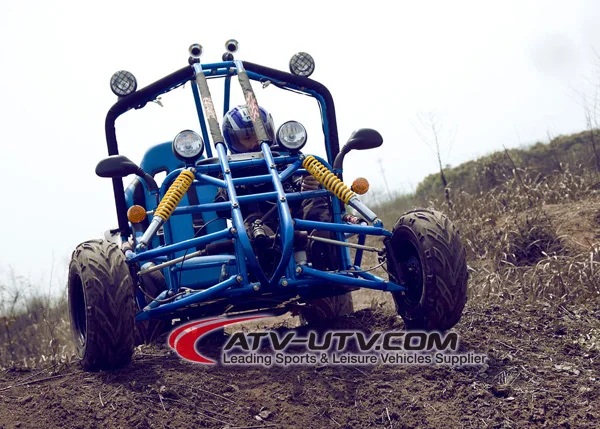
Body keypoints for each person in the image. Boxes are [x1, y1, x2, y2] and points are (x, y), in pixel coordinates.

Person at [218, 105, 336, 269]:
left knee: (315, 200)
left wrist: (308, 185)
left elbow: (304, 184)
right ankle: (273, 263)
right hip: (259, 227)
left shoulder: (286, 158)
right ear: (234, 142)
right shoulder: (229, 170)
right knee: (252, 223)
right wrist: (230, 191)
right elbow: (221, 207)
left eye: (258, 135)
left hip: (296, 219)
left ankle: (320, 247)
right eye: (247, 138)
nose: (255, 142)